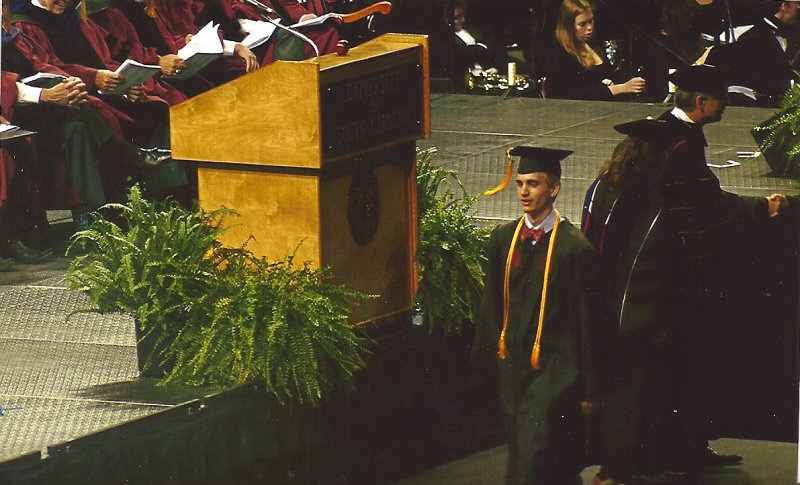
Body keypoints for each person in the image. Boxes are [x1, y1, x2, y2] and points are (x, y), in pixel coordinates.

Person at [655, 64, 787, 472]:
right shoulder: (675, 142)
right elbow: (704, 205)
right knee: (689, 362)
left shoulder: (665, 131)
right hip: (679, 275)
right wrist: (760, 208)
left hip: (668, 272)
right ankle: (683, 451)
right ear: (701, 102)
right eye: (720, 100)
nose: (725, 105)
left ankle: (687, 447)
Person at [474, 146, 603, 484]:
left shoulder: (574, 248)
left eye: (533, 184)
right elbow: (492, 307)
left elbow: (587, 322)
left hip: (556, 371)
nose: (524, 192)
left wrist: (590, 389)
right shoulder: (503, 240)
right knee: (527, 457)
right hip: (514, 367)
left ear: (554, 189)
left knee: (535, 454)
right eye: (519, 184)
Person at [544, 0, 645, 100]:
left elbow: (605, 75)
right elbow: (573, 93)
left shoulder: (592, 45)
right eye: (582, 24)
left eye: (591, 21)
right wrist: (618, 88)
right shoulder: (560, 53)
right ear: (568, 26)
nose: (589, 28)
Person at [706, 0, 800, 106]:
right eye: (798, 4)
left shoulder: (792, 37)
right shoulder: (749, 32)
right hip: (746, 100)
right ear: (784, 5)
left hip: (779, 101)